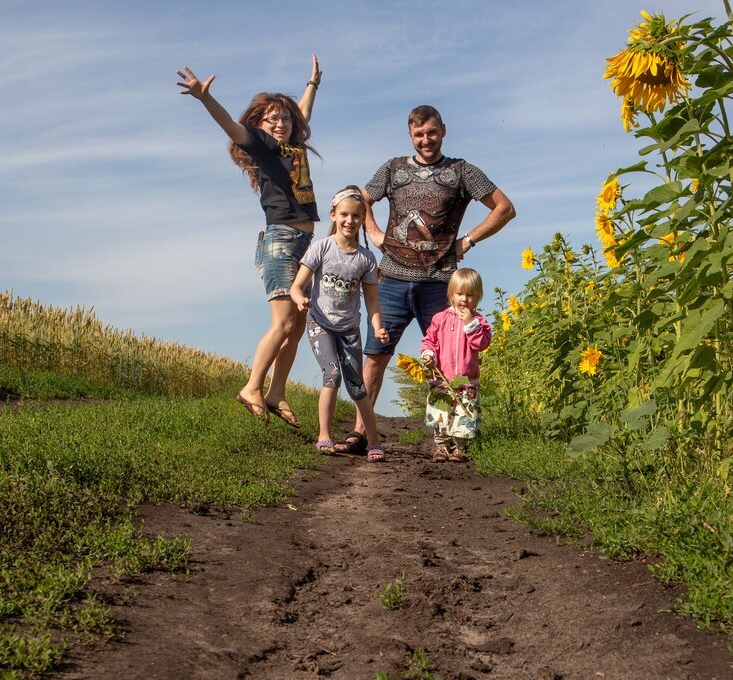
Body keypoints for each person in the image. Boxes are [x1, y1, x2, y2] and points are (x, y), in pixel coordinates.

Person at [331, 105, 515, 455]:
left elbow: (504, 208)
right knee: (375, 357)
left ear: (443, 130)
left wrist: (468, 240)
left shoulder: (462, 171)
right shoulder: (393, 168)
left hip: (440, 282)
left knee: (450, 359)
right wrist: (373, 230)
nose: (426, 140)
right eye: (419, 134)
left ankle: (449, 439)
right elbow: (359, 198)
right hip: (392, 279)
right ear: (410, 136)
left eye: (431, 132)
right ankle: (361, 434)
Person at [176, 58, 322, 428]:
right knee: (284, 320)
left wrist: (312, 84)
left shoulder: (293, 148)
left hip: (306, 241)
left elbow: (300, 115)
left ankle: (276, 392)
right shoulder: (259, 143)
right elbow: (230, 125)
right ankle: (252, 387)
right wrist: (205, 99)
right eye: (272, 118)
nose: (281, 123)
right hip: (281, 242)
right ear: (259, 124)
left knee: (299, 324)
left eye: (284, 119)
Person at [290, 187, 390, 463]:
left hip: (349, 329)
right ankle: (324, 436)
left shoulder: (366, 259)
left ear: (362, 218)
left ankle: (373, 441)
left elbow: (371, 300)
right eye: (344, 215)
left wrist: (378, 327)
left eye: (356, 216)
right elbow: (297, 286)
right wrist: (300, 300)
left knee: (357, 386)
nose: (349, 221)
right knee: (331, 375)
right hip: (319, 323)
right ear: (333, 215)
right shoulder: (321, 248)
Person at [419, 268, 492, 463]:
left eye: (470, 295)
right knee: (441, 412)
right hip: (443, 377)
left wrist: (470, 324)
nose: (464, 299)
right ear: (451, 294)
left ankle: (460, 446)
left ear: (478, 297)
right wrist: (428, 355)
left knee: (464, 412)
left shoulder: (479, 321)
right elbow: (429, 341)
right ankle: (442, 445)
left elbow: (482, 344)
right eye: (460, 294)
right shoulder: (440, 318)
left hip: (466, 379)